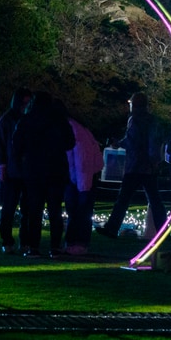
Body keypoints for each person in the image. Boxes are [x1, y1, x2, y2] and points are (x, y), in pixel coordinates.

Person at [96, 91, 167, 238]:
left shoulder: (134, 120)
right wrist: (155, 160)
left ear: (134, 105)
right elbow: (155, 141)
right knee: (155, 201)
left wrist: (118, 143)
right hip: (149, 167)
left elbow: (132, 140)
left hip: (135, 166)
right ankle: (163, 231)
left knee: (123, 199)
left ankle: (112, 228)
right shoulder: (152, 120)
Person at [11, 91, 74, 257]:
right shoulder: (59, 120)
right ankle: (55, 247)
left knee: (34, 211)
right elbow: (70, 142)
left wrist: (20, 165)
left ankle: (34, 247)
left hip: (33, 171)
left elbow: (16, 146)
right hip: (56, 170)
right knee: (55, 211)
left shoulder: (26, 120)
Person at [0, 88, 32, 254]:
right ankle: (7, 240)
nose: (26, 105)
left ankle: (25, 241)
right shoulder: (7, 120)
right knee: (8, 208)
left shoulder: (28, 119)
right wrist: (1, 165)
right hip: (11, 172)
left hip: (26, 171)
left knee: (27, 210)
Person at [63, 105, 104, 255]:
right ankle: (77, 242)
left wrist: (82, 184)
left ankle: (78, 242)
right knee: (78, 211)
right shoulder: (77, 128)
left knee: (79, 211)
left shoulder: (72, 129)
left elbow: (82, 160)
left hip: (80, 178)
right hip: (80, 177)